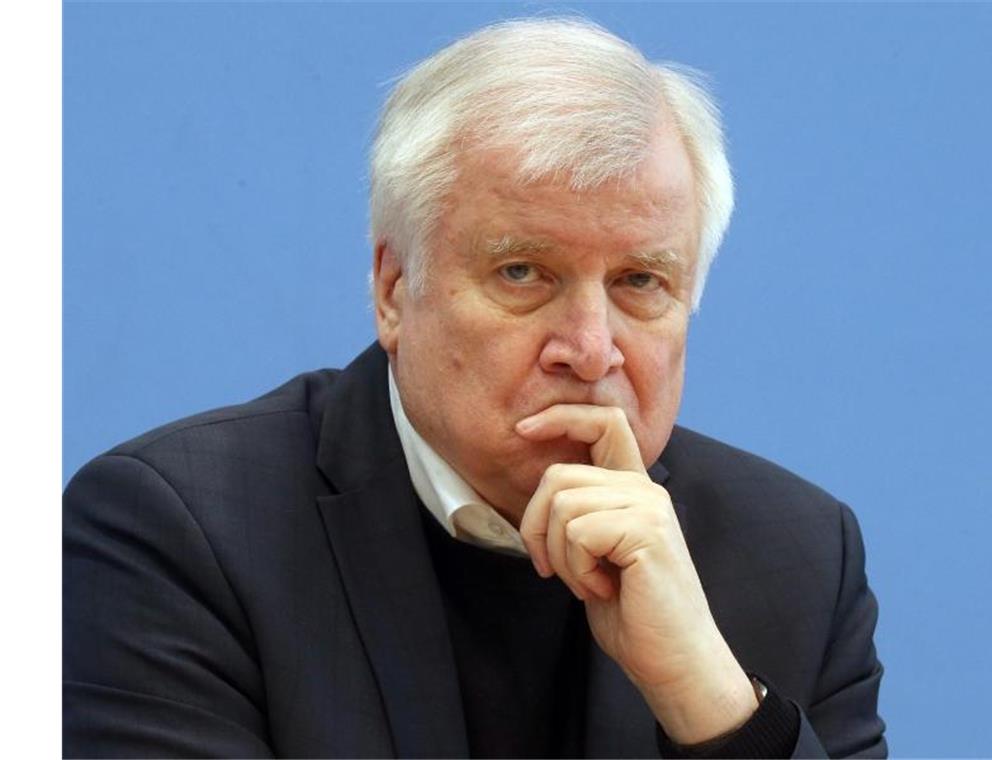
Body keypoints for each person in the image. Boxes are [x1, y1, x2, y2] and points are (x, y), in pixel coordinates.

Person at [63, 18, 886, 759]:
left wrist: (719, 715)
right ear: (393, 289)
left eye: (641, 281)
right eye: (523, 271)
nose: (592, 350)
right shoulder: (177, 535)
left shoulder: (800, 557)